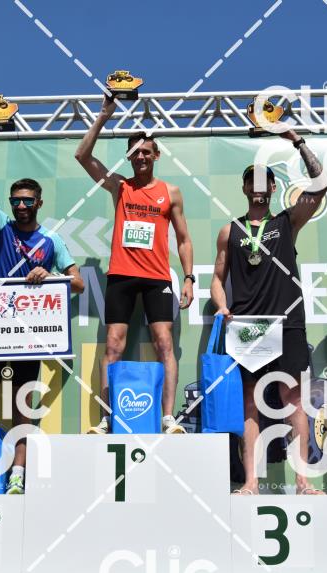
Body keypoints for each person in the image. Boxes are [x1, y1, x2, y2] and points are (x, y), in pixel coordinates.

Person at [0, 118, 84, 494]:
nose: (20, 206)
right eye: (16, 200)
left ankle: (17, 472)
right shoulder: (0, 226)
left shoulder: (51, 240)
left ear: (39, 203)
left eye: (27, 200)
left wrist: (50, 276)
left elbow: (78, 282)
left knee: (22, 404)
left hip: (29, 335)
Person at [210, 130, 327, 495]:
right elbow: (217, 278)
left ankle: (303, 480)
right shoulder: (229, 230)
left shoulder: (287, 222)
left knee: (293, 399)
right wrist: (222, 306)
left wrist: (297, 141)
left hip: (287, 321)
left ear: (274, 188)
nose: (258, 186)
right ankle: (251, 481)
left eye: (264, 181)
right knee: (250, 401)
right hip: (248, 325)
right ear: (245, 188)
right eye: (252, 181)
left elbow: (321, 183)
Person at [74, 95, 194, 434]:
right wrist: (103, 116)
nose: (140, 157)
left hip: (157, 277)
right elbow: (82, 156)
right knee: (113, 344)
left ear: (156, 155)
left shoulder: (171, 192)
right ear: (128, 157)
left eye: (146, 152)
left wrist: (188, 278)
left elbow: (184, 239)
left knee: (164, 343)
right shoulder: (119, 186)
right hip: (122, 275)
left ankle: (168, 419)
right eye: (134, 153)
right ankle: (108, 418)